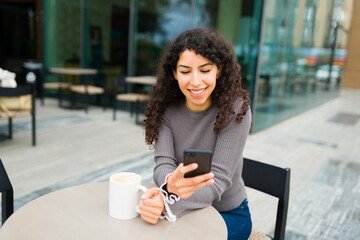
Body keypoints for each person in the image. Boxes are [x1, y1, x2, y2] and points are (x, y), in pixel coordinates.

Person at [139, 28, 252, 240]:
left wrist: (167, 198)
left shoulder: (236, 109)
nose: (196, 81)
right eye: (185, 71)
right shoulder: (166, 108)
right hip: (184, 210)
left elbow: (216, 183)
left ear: (218, 70)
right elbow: (163, 164)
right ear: (174, 73)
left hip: (228, 214)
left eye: (205, 70)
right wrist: (168, 186)